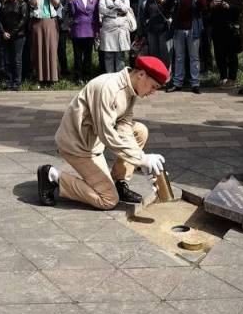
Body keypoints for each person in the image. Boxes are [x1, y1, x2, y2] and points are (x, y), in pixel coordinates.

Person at [36, 55, 169, 209]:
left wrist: (141, 162)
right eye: (154, 87)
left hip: (94, 140)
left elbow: (124, 127)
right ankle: (53, 176)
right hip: (78, 146)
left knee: (139, 131)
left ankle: (119, 182)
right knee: (108, 200)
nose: (153, 92)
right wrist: (141, 159)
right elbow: (107, 134)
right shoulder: (109, 88)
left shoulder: (130, 90)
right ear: (141, 75)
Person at [162, 0, 204, 93]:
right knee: (179, 57)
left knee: (194, 57)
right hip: (178, 29)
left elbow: (204, 8)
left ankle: (195, 83)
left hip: (193, 29)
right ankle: (177, 83)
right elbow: (166, 8)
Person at [28, 0, 61, 86]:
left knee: (51, 50)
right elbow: (31, 4)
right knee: (38, 50)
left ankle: (52, 78)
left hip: (51, 21)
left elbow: (56, 4)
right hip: (38, 21)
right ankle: (40, 78)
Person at [0, 0, 29, 90]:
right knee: (7, 59)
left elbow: (23, 21)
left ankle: (17, 81)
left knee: (17, 59)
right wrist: (3, 32)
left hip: (18, 35)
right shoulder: (4, 4)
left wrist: (12, 33)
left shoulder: (22, 4)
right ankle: (9, 80)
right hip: (5, 35)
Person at [67, 0, 98, 83]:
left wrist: (97, 30)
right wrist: (70, 2)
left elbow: (96, 15)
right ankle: (78, 77)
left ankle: (87, 76)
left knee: (88, 56)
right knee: (77, 56)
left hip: (90, 30)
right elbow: (71, 13)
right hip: (78, 30)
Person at [98, 0, 132, 73]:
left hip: (121, 28)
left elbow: (126, 9)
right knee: (108, 55)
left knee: (120, 55)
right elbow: (101, 9)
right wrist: (116, 13)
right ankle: (109, 78)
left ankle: (119, 79)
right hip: (108, 28)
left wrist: (116, 0)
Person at [208, 0, 239, 87]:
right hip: (217, 30)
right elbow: (205, 10)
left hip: (231, 31)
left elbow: (239, 10)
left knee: (232, 55)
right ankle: (223, 76)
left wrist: (229, 7)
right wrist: (211, 5)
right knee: (219, 55)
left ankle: (232, 78)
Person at [137, 0, 170, 68]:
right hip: (152, 30)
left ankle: (165, 75)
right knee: (153, 53)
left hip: (164, 29)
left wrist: (162, 0)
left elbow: (170, 12)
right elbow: (146, 14)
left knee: (164, 54)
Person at [51, 0, 73, 78]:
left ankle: (64, 72)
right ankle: (51, 72)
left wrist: (57, 15)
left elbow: (67, 6)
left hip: (62, 23)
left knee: (62, 49)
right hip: (48, 22)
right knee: (50, 49)